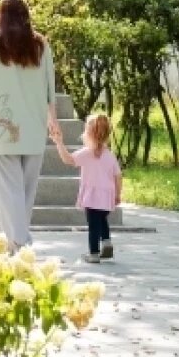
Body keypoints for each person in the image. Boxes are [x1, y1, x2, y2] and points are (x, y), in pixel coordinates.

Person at [0, 0, 60, 252]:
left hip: (2, 129)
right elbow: (49, 90)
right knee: (24, 194)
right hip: (34, 129)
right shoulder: (40, 45)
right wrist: (52, 120)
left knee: (8, 192)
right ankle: (12, 245)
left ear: (1, 16)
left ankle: (20, 242)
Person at [56, 112, 122, 263]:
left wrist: (59, 142)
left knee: (93, 224)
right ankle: (106, 242)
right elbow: (118, 176)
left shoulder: (87, 153)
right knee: (102, 219)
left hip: (92, 196)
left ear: (89, 134)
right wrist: (118, 194)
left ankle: (93, 253)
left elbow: (68, 159)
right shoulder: (110, 155)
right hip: (107, 196)